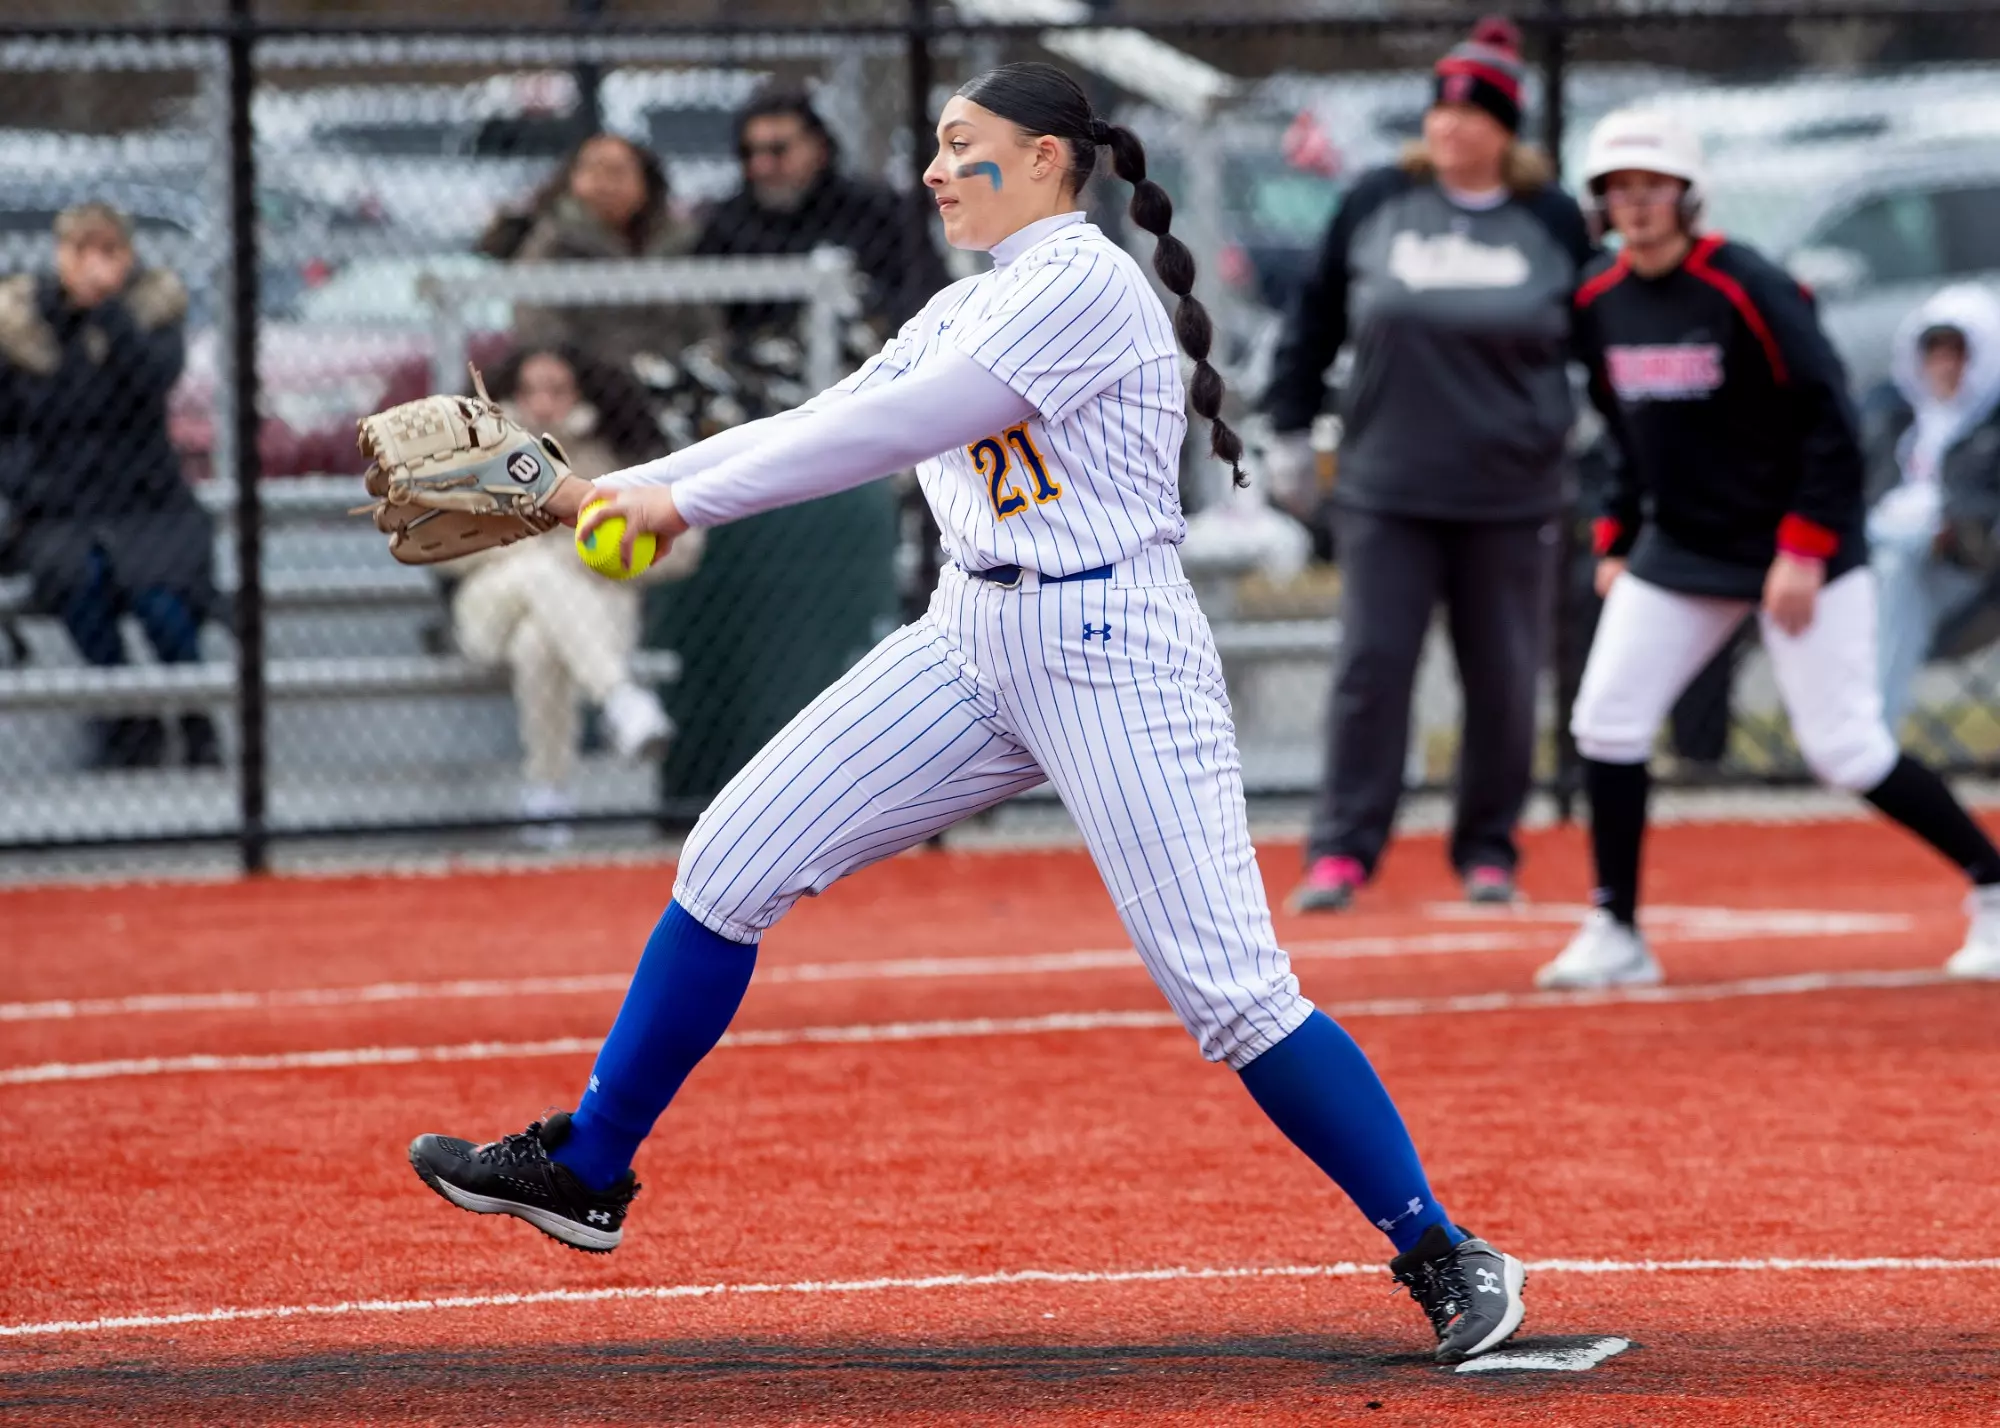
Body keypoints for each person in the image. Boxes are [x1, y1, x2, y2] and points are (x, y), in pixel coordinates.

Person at [406, 62, 1528, 1365]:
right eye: (935, 148)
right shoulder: (964, 303)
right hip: (971, 631)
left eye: (962, 146)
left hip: (1112, 643)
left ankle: (1443, 1252)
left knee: (1227, 992)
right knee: (728, 859)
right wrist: (595, 488)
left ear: (1050, 158)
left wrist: (674, 507)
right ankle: (591, 1167)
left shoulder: (1083, 283)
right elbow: (823, 415)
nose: (935, 171)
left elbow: (894, 431)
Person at [1540, 108, 2000, 991]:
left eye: (1651, 188)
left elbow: (1828, 421)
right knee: (1606, 721)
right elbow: (1626, 436)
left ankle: (1993, 883)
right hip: (1684, 550)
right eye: (1617, 191)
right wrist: (1617, 536)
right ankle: (1617, 928)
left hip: (1796, 543)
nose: (1635, 205)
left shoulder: (1748, 286)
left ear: (1686, 196)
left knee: (1847, 752)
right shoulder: (1599, 303)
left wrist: (1802, 549)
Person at [1261, 17, 1594, 914]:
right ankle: (1343, 852)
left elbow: (1598, 341)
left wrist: (1595, 434)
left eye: (1473, 115)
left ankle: (1489, 849)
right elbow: (1313, 322)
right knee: (1373, 667)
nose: (1452, 129)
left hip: (1511, 488)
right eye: (1441, 113)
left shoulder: (1550, 220)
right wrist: (1289, 432)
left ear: (1505, 128)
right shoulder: (1377, 202)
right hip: (1388, 483)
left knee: (1503, 675)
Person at [0, 201, 217, 769]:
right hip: (61, 508)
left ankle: (196, 715)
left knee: (162, 601)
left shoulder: (152, 310)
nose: (93, 264)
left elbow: (152, 380)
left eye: (108, 252)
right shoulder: (23, 325)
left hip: (146, 501)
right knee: (79, 583)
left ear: (128, 256)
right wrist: (26, 483)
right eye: (80, 251)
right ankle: (124, 713)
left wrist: (109, 312)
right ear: (58, 255)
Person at [448, 347, 693, 845]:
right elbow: (447, 547)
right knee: (539, 569)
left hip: (595, 609)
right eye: (530, 390)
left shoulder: (609, 452)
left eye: (557, 390)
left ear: (580, 394)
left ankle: (547, 794)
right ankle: (620, 699)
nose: (543, 403)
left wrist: (593, 558)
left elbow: (685, 543)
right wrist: (541, 548)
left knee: (539, 644)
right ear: (513, 393)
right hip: (493, 604)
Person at [694, 86, 951, 343]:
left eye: (777, 150)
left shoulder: (874, 212)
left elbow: (928, 294)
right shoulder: (727, 224)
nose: (761, 166)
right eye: (749, 153)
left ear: (818, 148)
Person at [1863, 285, 2000, 734]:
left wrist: (1953, 525)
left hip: (1962, 569)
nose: (1943, 367)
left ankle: (1873, 735)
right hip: (1877, 556)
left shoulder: (1990, 426)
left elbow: (1981, 514)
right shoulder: (1895, 418)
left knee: (1899, 563)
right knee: (1889, 562)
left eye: (1956, 354)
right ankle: (1846, 733)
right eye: (1934, 353)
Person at [478, 132, 709, 371]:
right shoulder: (554, 239)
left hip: (670, 369)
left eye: (616, 172)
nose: (603, 184)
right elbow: (537, 323)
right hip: (587, 377)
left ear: (646, 182)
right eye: (591, 171)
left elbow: (705, 322)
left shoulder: (678, 241)